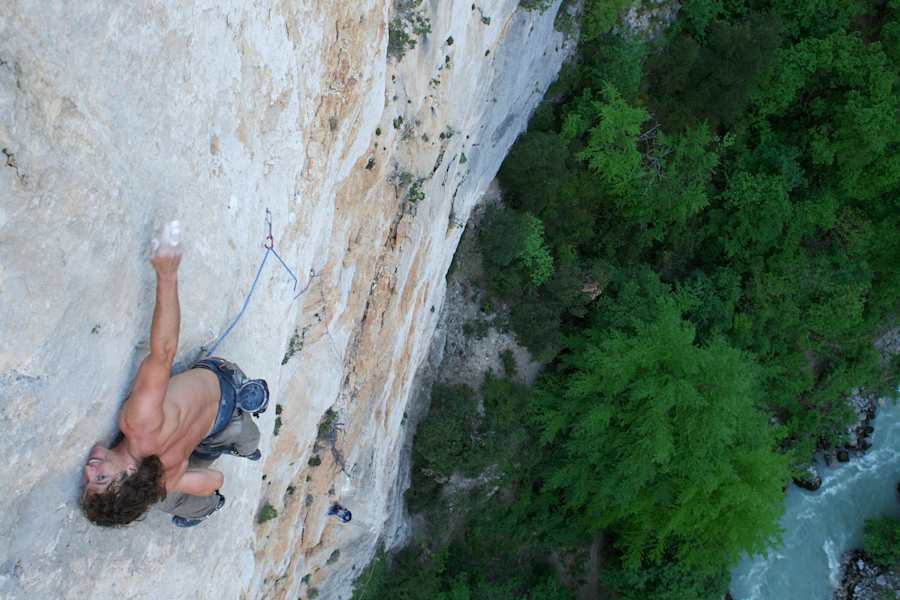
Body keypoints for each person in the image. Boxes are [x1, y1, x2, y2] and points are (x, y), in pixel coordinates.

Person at [80, 221, 266, 528]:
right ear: (128, 475)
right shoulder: (138, 426)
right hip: (222, 381)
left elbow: (215, 479)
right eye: (100, 478)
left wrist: (170, 483)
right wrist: (167, 274)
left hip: (216, 423)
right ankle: (248, 441)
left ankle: (240, 457)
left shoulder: (161, 477)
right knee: (238, 436)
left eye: (89, 480)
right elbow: (163, 353)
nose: (89, 470)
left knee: (171, 493)